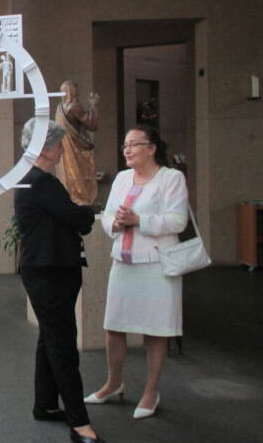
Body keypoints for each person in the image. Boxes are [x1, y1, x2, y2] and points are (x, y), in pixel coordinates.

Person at [84, 125, 188, 420]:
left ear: (152, 148)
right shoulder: (121, 178)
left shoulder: (171, 178)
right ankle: (113, 383)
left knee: (156, 330)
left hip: (157, 265)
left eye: (133, 144)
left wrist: (139, 219)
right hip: (123, 261)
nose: (127, 150)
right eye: (125, 145)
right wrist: (116, 223)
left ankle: (151, 391)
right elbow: (107, 215)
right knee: (114, 326)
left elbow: (178, 220)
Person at [15, 118, 105, 443]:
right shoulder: (41, 182)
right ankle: (80, 424)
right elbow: (78, 219)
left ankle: (46, 404)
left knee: (50, 338)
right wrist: (85, 211)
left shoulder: (30, 179)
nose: (62, 150)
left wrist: (76, 211)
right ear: (45, 147)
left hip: (43, 269)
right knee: (62, 345)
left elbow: (66, 216)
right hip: (50, 272)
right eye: (59, 145)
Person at [55, 80, 99, 206]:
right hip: (77, 147)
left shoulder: (60, 108)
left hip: (65, 146)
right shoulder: (73, 107)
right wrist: (94, 106)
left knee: (70, 172)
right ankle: (81, 197)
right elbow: (91, 124)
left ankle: (73, 196)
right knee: (82, 173)